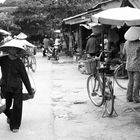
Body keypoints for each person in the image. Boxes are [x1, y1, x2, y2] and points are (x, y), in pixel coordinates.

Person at [0, 46, 34, 132]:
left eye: (15, 49)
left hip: (17, 87)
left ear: (17, 50)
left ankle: (15, 125)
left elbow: (24, 77)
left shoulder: (19, 62)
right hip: (5, 87)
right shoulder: (2, 59)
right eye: (11, 49)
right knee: (4, 106)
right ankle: (11, 116)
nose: (13, 50)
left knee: (17, 107)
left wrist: (30, 90)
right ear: (8, 50)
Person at [123, 26, 140, 103]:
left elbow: (123, 53)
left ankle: (128, 97)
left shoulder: (126, 43)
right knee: (137, 82)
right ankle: (136, 98)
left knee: (130, 81)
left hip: (128, 65)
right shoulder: (139, 43)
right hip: (137, 65)